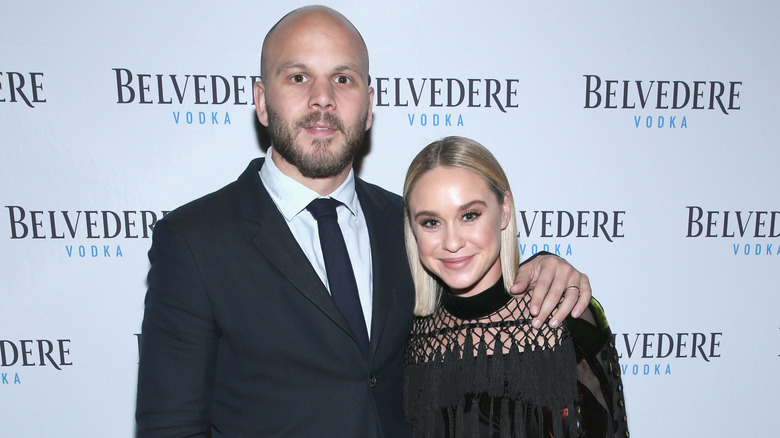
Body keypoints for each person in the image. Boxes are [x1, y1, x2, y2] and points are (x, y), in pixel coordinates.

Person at [135, 6, 593, 437]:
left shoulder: (412, 225)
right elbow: (171, 427)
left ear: (369, 104)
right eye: (298, 77)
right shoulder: (194, 240)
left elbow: (478, 303)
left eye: (343, 78)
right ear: (261, 100)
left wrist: (544, 267)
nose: (322, 99)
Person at [402, 136, 628, 437]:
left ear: (505, 208)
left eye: (469, 215)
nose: (452, 242)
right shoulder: (408, 335)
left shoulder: (564, 316)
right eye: (431, 222)